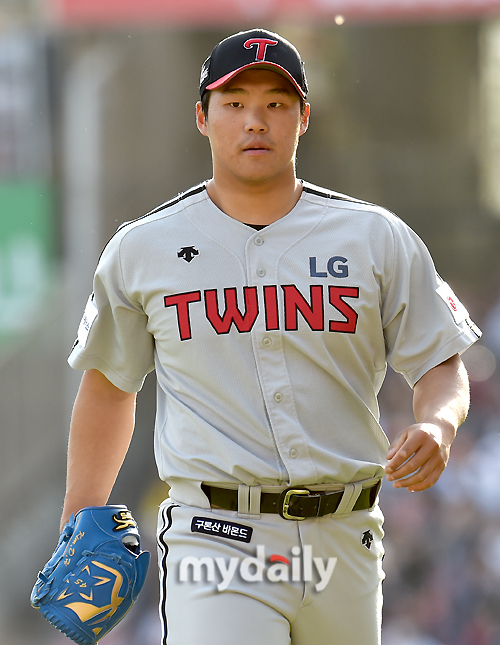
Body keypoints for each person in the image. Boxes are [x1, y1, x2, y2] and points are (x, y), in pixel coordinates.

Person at [63, 28, 481, 645]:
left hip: (346, 535)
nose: (254, 120)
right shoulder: (142, 248)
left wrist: (439, 424)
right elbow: (108, 386)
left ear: (303, 117)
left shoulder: (375, 238)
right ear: (202, 118)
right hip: (217, 536)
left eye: (276, 103)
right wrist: (80, 517)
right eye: (234, 103)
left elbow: (441, 362)